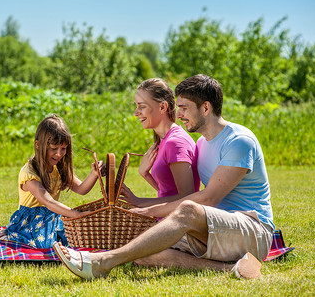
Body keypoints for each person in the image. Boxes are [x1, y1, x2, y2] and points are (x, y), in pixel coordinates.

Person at [52, 74, 274, 280]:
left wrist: (147, 210)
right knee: (142, 249)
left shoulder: (239, 141)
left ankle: (102, 262)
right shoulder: (202, 144)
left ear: (206, 108)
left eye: (185, 108)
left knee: (187, 209)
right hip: (216, 229)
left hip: (253, 230)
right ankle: (232, 269)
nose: (179, 114)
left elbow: (207, 199)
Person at [0, 114, 103, 248]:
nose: (59, 154)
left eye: (63, 148)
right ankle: (10, 235)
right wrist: (76, 215)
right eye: (53, 149)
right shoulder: (29, 174)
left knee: (77, 240)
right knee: (44, 245)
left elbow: (81, 189)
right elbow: (48, 201)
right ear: (38, 145)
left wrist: (94, 174)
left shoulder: (58, 168)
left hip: (52, 219)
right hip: (29, 223)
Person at [121, 78, 200, 212]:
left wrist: (139, 201)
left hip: (177, 226)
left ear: (162, 107)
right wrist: (145, 174)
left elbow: (187, 197)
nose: (136, 113)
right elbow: (168, 191)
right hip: (165, 220)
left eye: (142, 106)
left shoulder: (175, 143)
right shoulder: (165, 140)